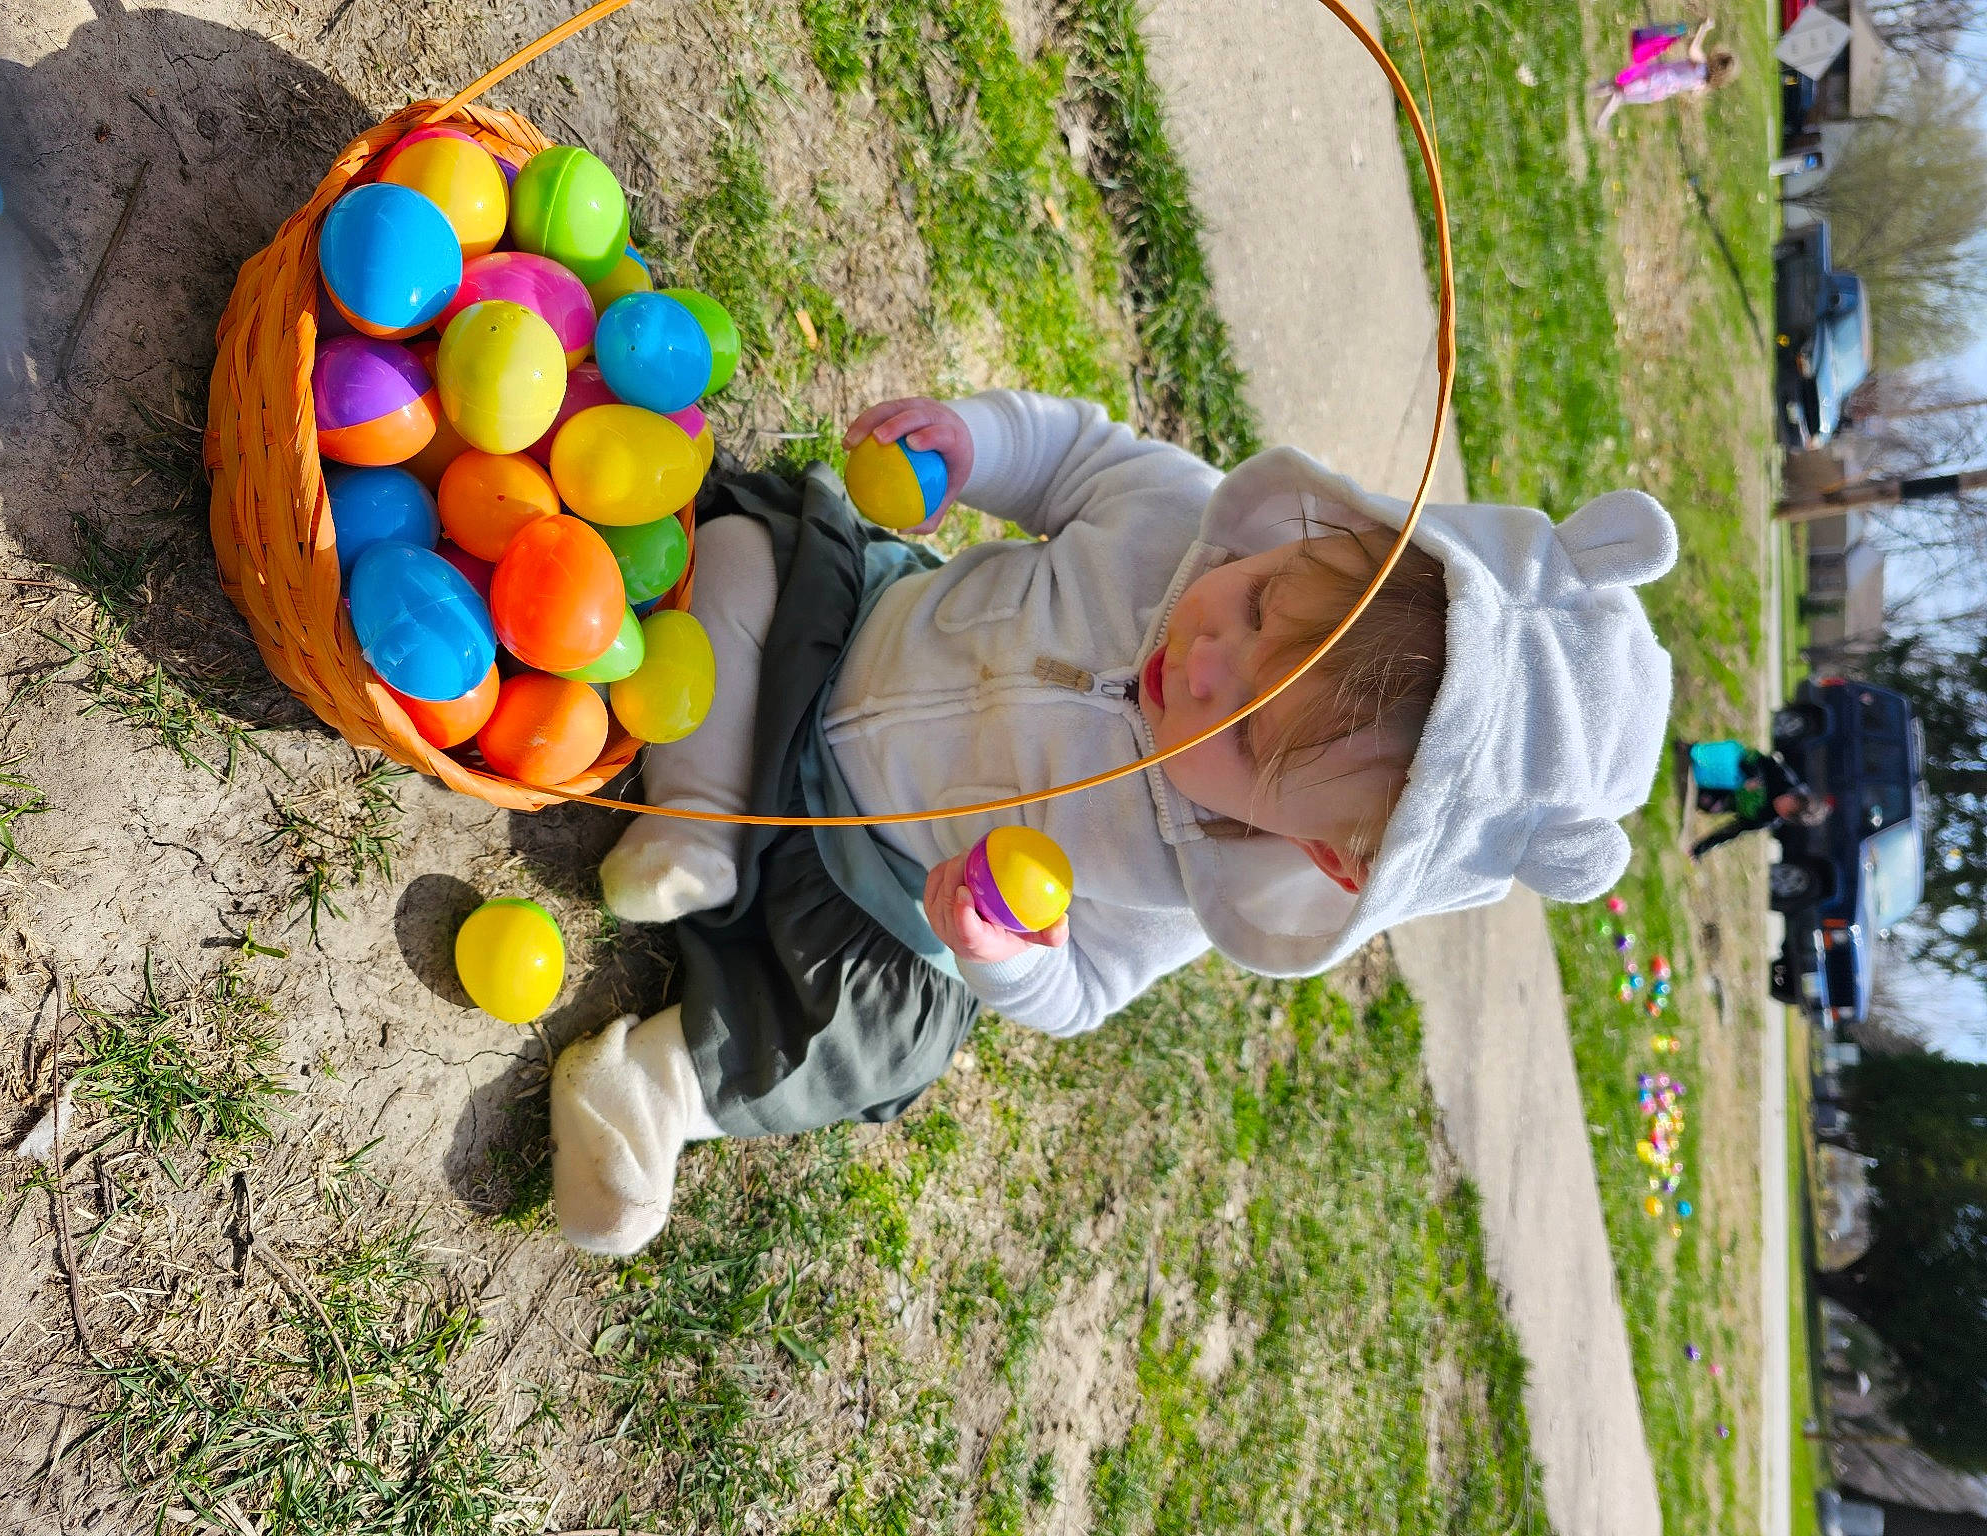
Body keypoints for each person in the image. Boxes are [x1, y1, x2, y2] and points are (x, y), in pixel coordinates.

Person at [549, 391, 1679, 1256]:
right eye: (1255, 601)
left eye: (1245, 728)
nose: (1202, 660)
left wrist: (1010, 958)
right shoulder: (1173, 523)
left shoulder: (1191, 879)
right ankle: (700, 818)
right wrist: (972, 444)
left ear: (1321, 849)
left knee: (877, 1037)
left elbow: (1081, 989)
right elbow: (1072, 456)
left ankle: (659, 1087)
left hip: (867, 879)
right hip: (840, 632)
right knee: (747, 551)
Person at [1682, 738, 1827, 860]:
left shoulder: (1767, 818)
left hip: (1728, 797)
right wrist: (1753, 774)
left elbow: (1733, 830)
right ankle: (1692, 750)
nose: (1783, 801)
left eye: (1787, 808)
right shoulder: (1783, 777)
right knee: (1723, 763)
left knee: (1705, 802)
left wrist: (1699, 849)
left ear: (1786, 817)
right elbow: (1754, 756)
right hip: (1732, 768)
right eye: (1790, 798)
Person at [1592, 19, 1739, 132]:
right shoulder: (1703, 84)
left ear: (1716, 57)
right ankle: (1601, 111)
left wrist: (1703, 29)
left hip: (1653, 77)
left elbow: (1692, 48)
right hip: (1659, 92)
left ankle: (1597, 99)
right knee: (1622, 95)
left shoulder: (1702, 64)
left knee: (1620, 89)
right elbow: (1693, 95)